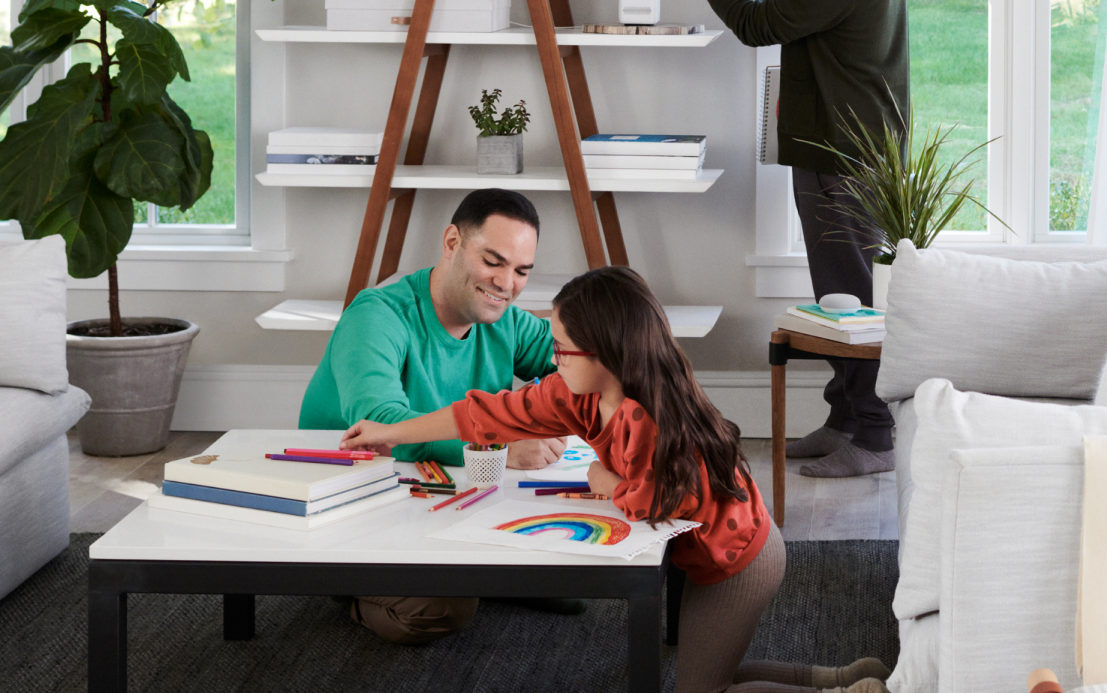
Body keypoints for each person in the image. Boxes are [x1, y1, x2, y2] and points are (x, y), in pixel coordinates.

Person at [342, 267, 890, 693]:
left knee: (706, 688)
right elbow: (484, 413)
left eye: (560, 350)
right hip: (720, 550)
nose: (550, 359)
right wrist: (394, 430)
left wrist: (605, 478)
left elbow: (656, 501)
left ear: (604, 354)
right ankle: (840, 677)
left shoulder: (650, 418)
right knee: (711, 668)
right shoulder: (574, 390)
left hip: (739, 562)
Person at [645, 0, 907, 479]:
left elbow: (762, 25)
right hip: (850, 148)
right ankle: (845, 416)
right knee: (838, 292)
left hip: (844, 155)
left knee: (847, 295)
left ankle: (873, 435)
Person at [299, 187, 566, 644]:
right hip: (358, 498)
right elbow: (379, 425)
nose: (506, 284)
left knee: (572, 581)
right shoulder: (377, 315)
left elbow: (580, 362)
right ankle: (343, 587)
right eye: (493, 261)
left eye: (521, 271)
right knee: (443, 607)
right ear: (451, 243)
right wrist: (498, 448)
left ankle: (480, 570)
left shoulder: (507, 319)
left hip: (445, 491)